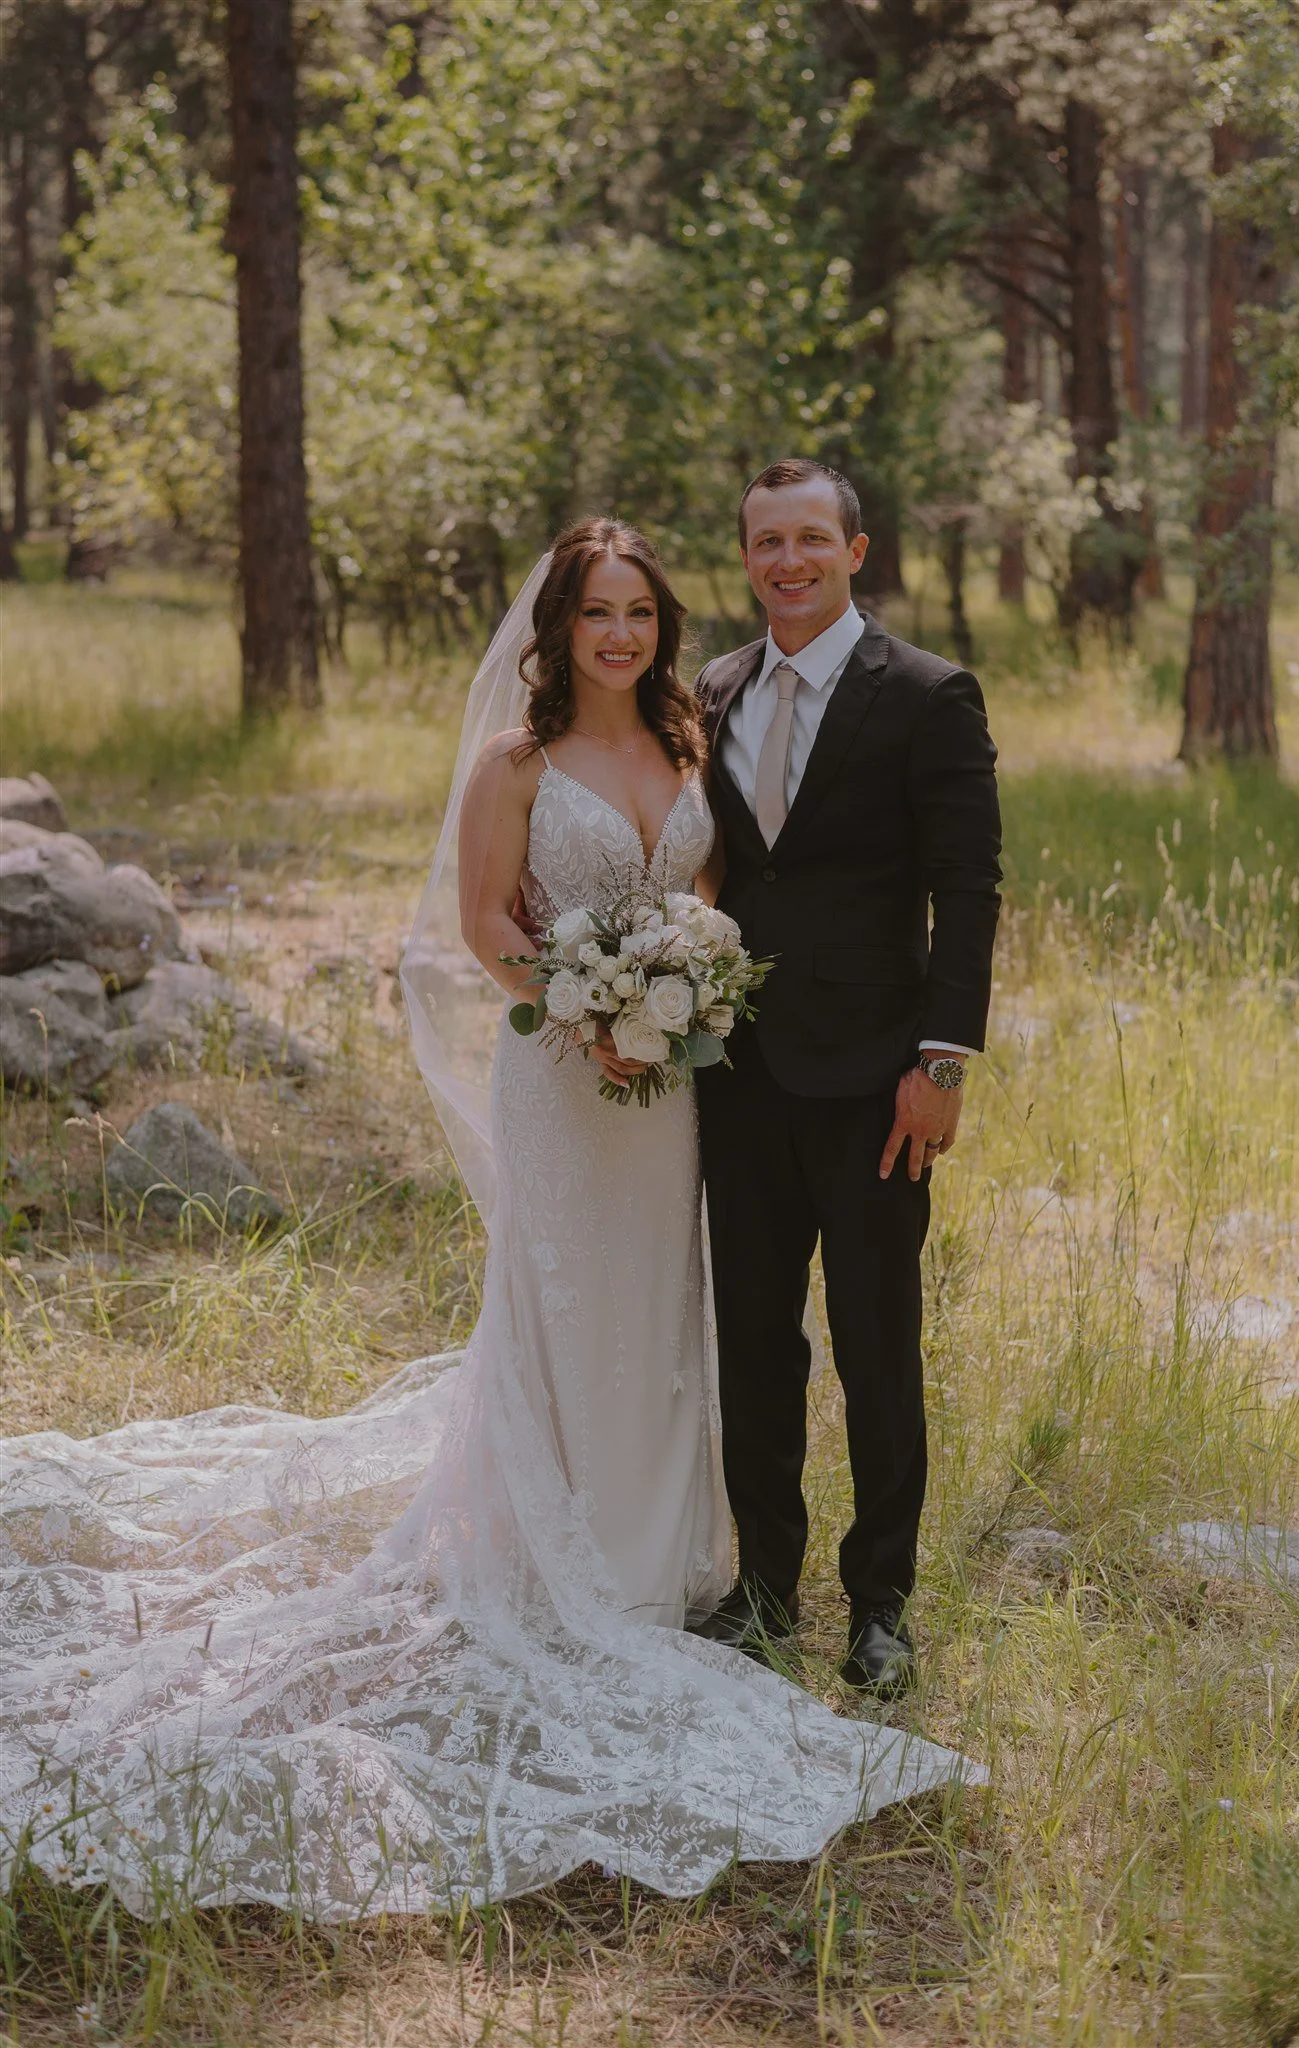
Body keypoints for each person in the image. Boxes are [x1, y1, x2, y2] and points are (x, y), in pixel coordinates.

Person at [0, 518, 981, 1924]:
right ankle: (565, 1556)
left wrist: (682, 995)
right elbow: (477, 924)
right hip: (568, 1078)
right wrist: (590, 1012)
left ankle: (677, 1562)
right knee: (568, 1298)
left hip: (680, 1095)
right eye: (598, 613)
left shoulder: (693, 739)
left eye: (639, 611)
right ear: (557, 628)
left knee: (667, 1312)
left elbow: (714, 900)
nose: (622, 635)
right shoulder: (513, 765)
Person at [694, 461, 1003, 1698]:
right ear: (748, 554)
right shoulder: (712, 686)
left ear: (855, 549)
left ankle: (880, 1603)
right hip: (735, 1072)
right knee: (752, 1343)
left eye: (810, 538)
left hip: (879, 1082)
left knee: (878, 1343)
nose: (788, 560)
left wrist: (941, 1061)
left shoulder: (927, 694)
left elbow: (966, 886)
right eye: (767, 540)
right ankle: (763, 1589)